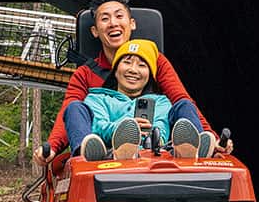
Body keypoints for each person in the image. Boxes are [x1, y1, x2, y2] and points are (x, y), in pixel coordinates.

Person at [36, 0, 230, 164]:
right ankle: (88, 155)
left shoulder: (157, 66)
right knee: (75, 108)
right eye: (105, 18)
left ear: (132, 24)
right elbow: (70, 112)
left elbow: (181, 99)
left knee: (182, 108)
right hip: (107, 143)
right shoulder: (91, 86)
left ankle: (192, 148)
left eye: (119, 16)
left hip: (154, 144)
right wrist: (52, 147)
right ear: (95, 31)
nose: (113, 23)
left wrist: (211, 136)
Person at [63, 38, 211, 160]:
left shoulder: (161, 101)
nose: (133, 70)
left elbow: (162, 125)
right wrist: (123, 129)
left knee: (184, 105)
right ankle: (87, 156)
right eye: (127, 62)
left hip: (155, 153)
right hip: (108, 153)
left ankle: (191, 151)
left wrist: (153, 135)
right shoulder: (97, 98)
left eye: (141, 65)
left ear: (149, 75)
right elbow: (97, 126)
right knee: (74, 107)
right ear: (115, 70)